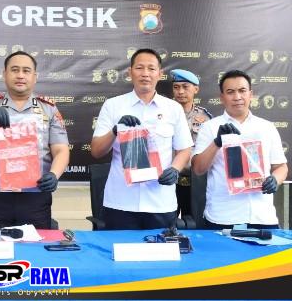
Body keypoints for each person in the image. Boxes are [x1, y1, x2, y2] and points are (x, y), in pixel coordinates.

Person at [0, 51, 69, 229]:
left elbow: (61, 150)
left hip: (35, 195)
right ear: (5, 74)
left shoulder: (48, 108)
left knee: (35, 244)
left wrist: (54, 174)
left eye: (26, 71)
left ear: (35, 77)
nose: (20, 75)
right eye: (15, 70)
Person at [90, 48, 193, 230]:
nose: (145, 73)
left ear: (160, 74)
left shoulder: (173, 108)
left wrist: (175, 169)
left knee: (161, 248)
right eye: (139, 68)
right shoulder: (113, 106)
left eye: (151, 68)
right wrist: (115, 130)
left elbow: (184, 149)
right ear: (130, 72)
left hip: (161, 202)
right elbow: (97, 151)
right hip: (120, 202)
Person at [192, 70, 288, 229]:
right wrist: (217, 143)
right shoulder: (210, 127)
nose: (237, 97)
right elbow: (198, 169)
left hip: (262, 216)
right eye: (230, 92)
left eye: (242, 90)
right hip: (222, 216)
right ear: (222, 97)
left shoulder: (267, 127)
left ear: (251, 94)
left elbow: (281, 167)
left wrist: (275, 180)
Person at [171, 68, 212, 217]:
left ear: (196, 89)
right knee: (168, 223)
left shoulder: (205, 118)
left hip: (195, 181)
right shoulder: (164, 113)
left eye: (185, 87)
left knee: (195, 222)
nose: (180, 91)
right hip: (169, 179)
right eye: (176, 87)